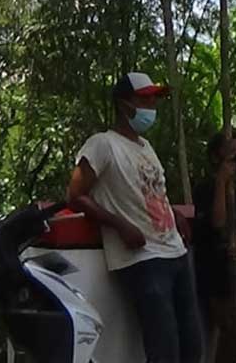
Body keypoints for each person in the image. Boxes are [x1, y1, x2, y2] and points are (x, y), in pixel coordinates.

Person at [67, 72, 202, 363]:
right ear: (123, 103)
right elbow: (76, 195)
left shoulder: (145, 146)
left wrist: (175, 214)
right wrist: (119, 225)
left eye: (154, 98)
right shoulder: (102, 144)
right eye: (144, 98)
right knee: (163, 347)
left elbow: (152, 192)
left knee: (192, 343)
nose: (151, 105)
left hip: (174, 250)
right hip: (142, 259)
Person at [192, 132, 236, 363]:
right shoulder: (205, 189)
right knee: (222, 326)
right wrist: (221, 183)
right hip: (214, 269)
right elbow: (218, 222)